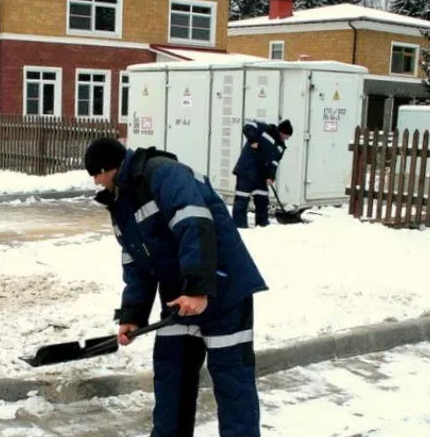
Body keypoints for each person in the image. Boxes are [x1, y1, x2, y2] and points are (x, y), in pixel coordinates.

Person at [84, 137, 268, 436]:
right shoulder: (121, 202)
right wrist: (133, 315)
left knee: (232, 383)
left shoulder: (163, 173)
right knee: (172, 378)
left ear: (109, 168)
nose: (95, 182)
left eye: (96, 174)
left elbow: (194, 223)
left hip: (223, 288)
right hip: (178, 296)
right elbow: (136, 264)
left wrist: (198, 290)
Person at [231, 119, 293, 228]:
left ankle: (263, 225)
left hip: (261, 175)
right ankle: (239, 225)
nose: (287, 138)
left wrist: (271, 176)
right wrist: (253, 139)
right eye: (286, 135)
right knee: (242, 199)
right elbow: (247, 127)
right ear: (281, 131)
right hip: (247, 170)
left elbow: (274, 163)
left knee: (262, 200)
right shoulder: (264, 128)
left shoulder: (281, 147)